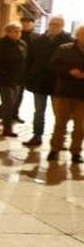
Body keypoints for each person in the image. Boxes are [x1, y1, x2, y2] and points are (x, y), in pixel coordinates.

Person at [23, 15, 72, 147]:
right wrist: (29, 77)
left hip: (59, 82)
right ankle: (37, 135)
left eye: (57, 24)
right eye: (51, 24)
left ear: (62, 26)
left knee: (60, 113)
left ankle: (60, 138)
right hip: (40, 81)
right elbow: (30, 60)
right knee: (39, 111)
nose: (53, 27)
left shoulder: (68, 41)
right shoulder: (39, 40)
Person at [47, 25, 84, 164]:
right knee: (60, 123)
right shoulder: (65, 49)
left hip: (82, 95)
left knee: (80, 126)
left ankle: (76, 152)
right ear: (77, 35)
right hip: (64, 92)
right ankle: (54, 149)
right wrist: (69, 71)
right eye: (82, 34)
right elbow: (52, 66)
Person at [0, 22, 27, 137]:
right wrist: (3, 76)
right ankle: (7, 128)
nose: (18, 33)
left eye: (19, 31)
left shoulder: (22, 44)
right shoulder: (2, 43)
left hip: (18, 79)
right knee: (8, 103)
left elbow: (24, 61)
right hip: (5, 79)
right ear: (8, 32)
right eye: (15, 31)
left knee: (10, 103)